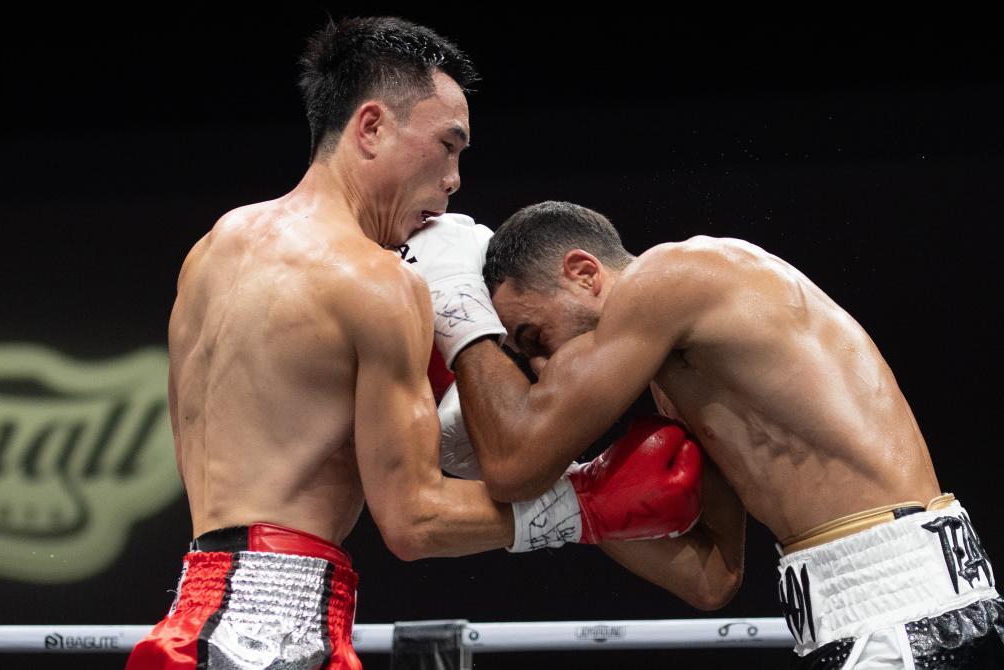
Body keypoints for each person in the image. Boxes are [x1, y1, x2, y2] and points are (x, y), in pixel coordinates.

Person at [125, 21, 702, 670]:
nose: (453, 180)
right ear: (371, 127)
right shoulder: (377, 282)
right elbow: (414, 521)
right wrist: (586, 502)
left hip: (192, 618)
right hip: (278, 638)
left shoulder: (212, 251)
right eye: (447, 146)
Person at [408, 201, 1003, 669]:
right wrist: (579, 494)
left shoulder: (673, 275)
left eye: (535, 337)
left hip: (896, 608)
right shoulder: (682, 384)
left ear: (584, 273)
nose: (541, 367)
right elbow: (711, 578)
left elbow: (513, 465)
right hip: (867, 607)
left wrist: (458, 307)